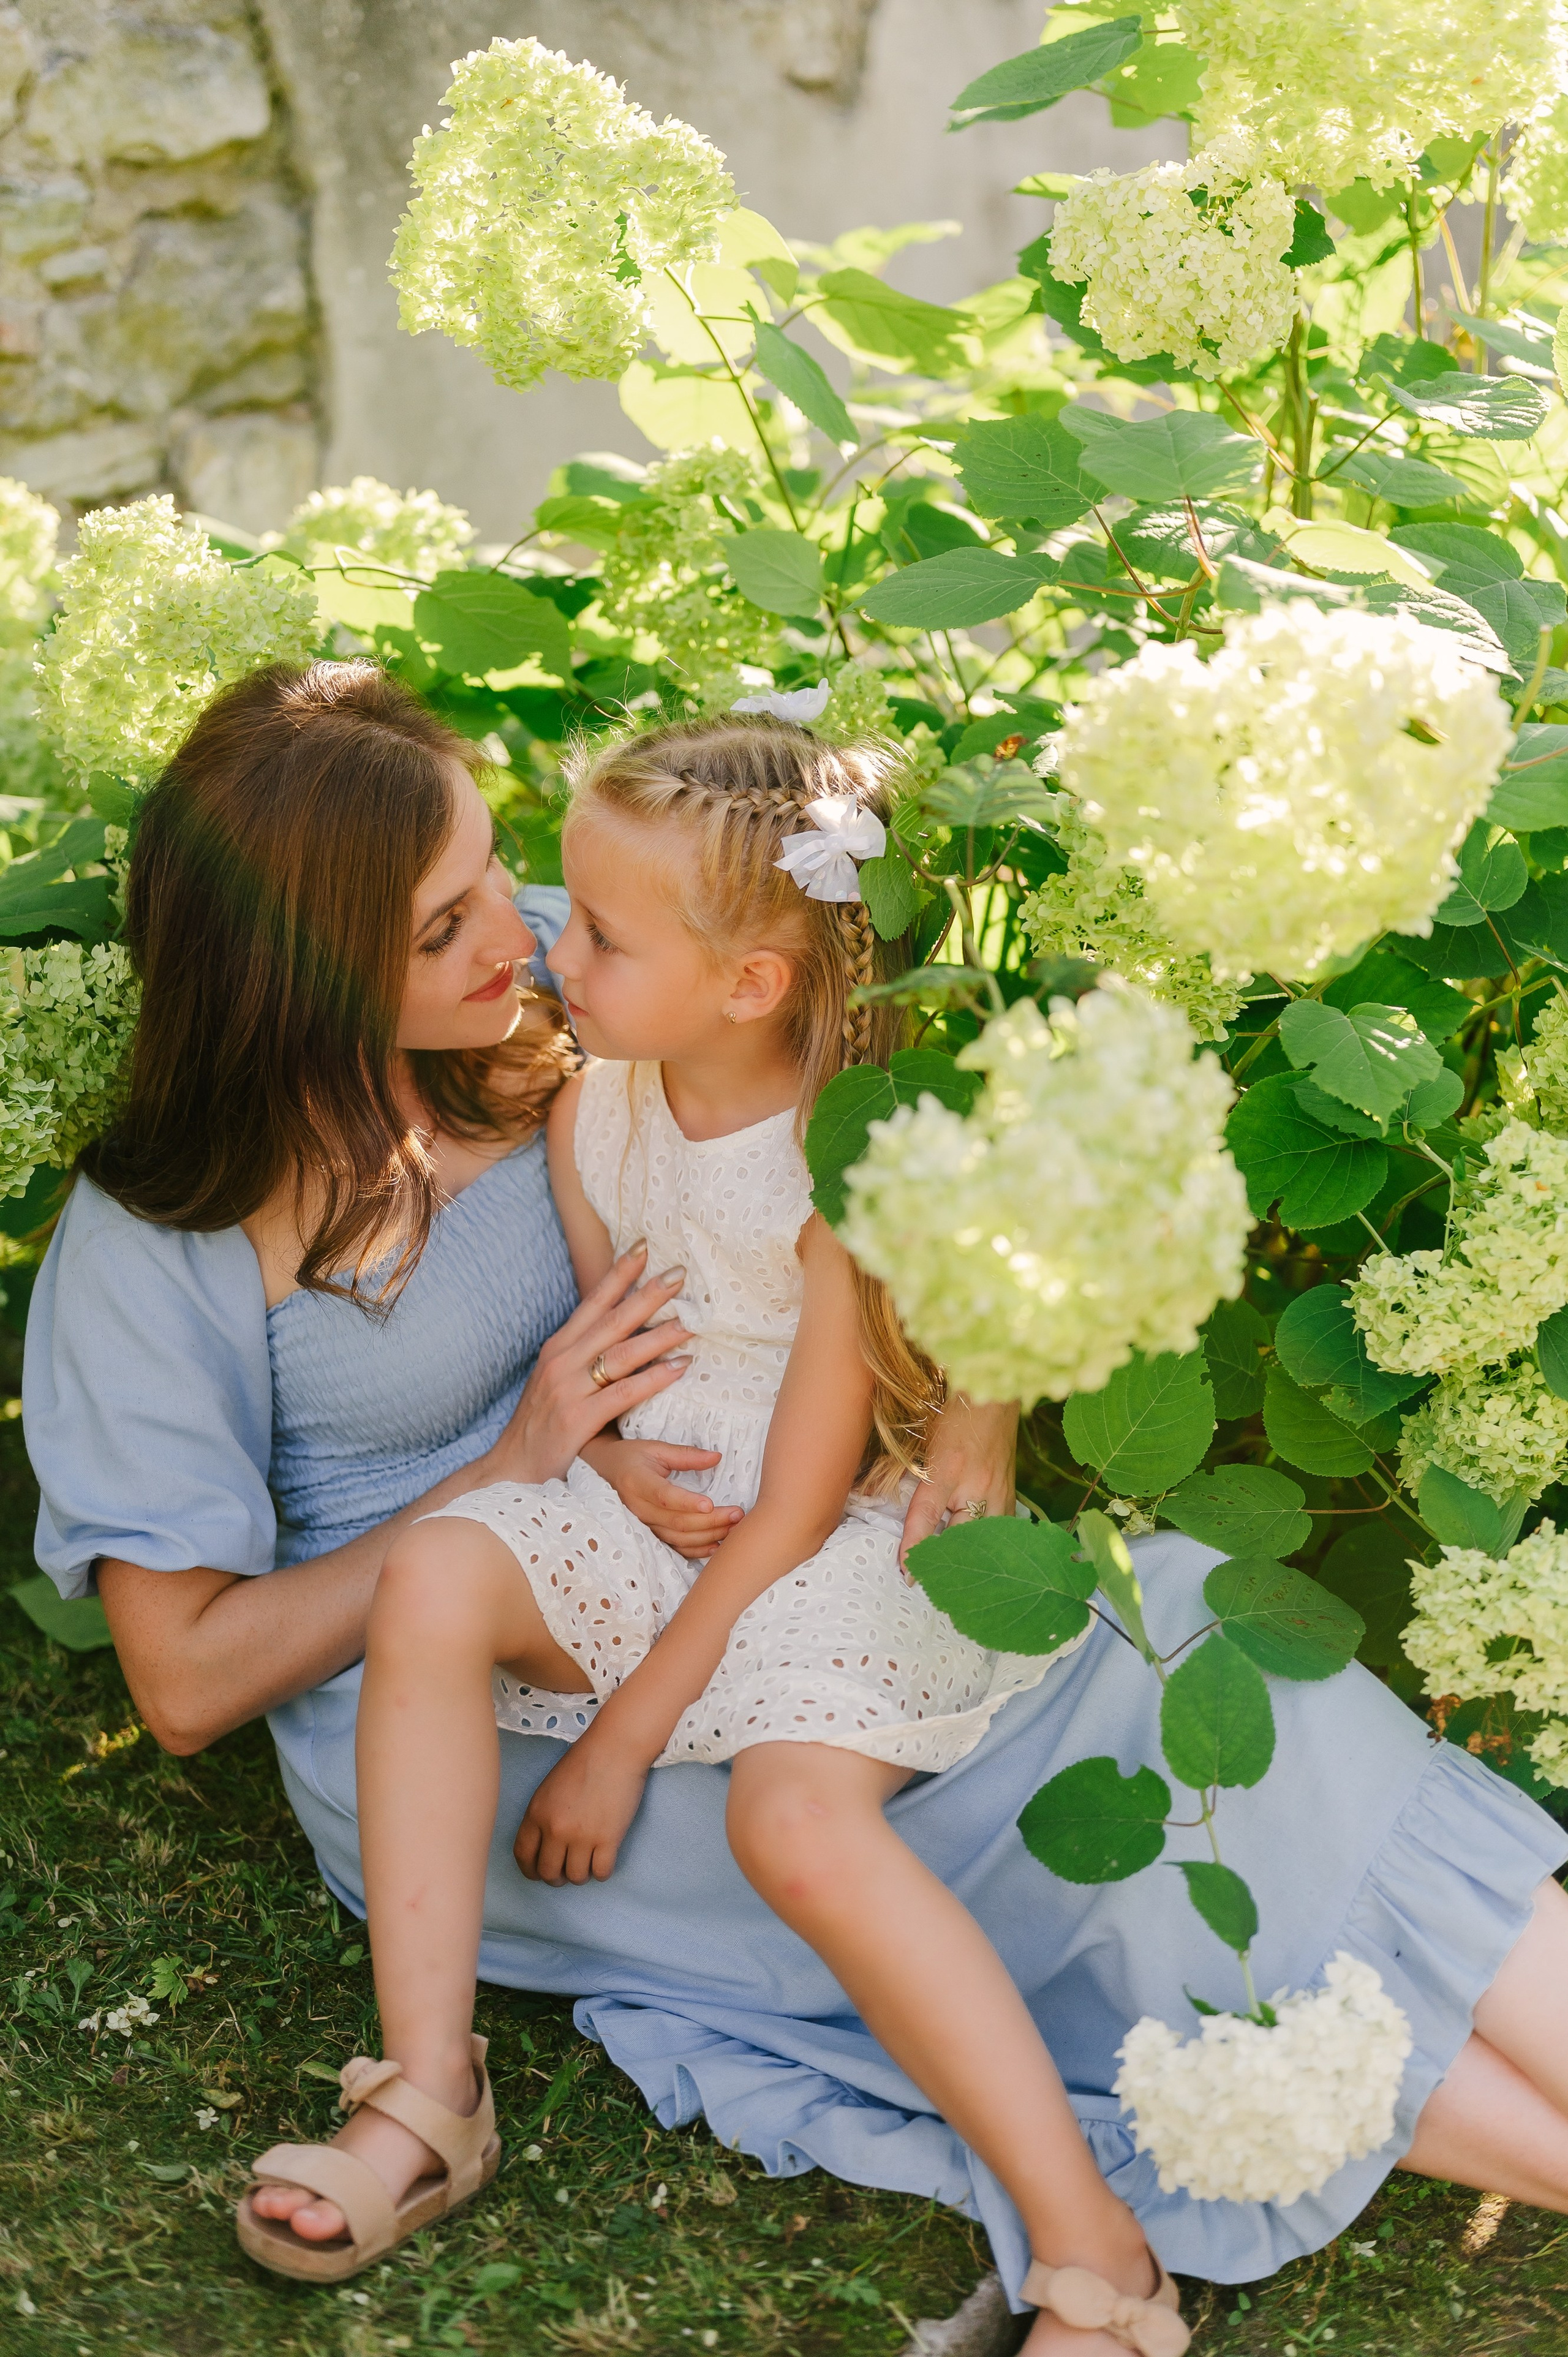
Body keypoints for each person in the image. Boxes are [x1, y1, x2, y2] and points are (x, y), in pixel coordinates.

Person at [23, 665, 1568, 2344]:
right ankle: (431, 2095)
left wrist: (977, 1407)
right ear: (303, 976)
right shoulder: (161, 1241)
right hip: (476, 1710)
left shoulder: (591, 976)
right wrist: (512, 1462)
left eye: (495, 874)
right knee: (1037, 1860)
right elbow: (180, 1686)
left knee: (1179, 1635)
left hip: (769, 1556)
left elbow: (912, 1094)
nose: (517, 936)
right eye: (445, 923)